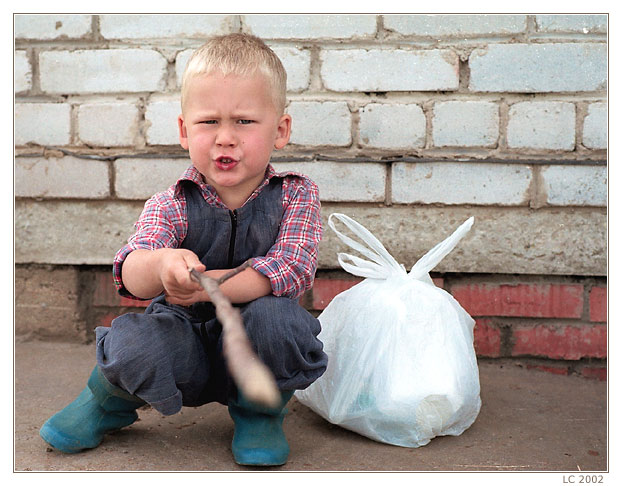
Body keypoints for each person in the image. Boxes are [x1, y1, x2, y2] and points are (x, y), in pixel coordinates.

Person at [39, 33, 328, 467]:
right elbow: (131, 270)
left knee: (284, 321)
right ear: (183, 130)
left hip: (255, 341)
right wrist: (161, 264)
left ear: (280, 130)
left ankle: (260, 414)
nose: (225, 138)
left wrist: (215, 285)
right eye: (209, 121)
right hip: (183, 335)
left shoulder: (295, 196)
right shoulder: (172, 202)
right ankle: (107, 401)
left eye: (245, 122)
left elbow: (294, 267)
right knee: (134, 340)